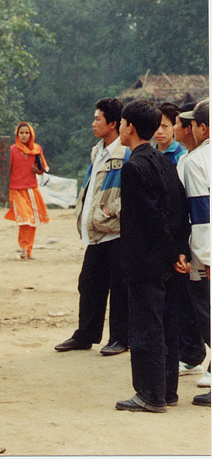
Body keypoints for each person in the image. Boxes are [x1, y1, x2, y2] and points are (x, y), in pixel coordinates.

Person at [115, 100, 191, 413]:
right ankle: (167, 391)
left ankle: (150, 394)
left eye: (121, 123)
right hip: (169, 260)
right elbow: (178, 209)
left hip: (146, 261)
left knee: (146, 326)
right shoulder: (164, 161)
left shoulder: (134, 166)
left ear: (130, 127)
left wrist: (172, 251)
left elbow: (149, 218)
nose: (120, 128)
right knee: (166, 325)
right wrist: (179, 252)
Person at [55, 98, 130, 355]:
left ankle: (120, 337)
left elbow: (130, 193)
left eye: (98, 118)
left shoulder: (126, 152)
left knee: (119, 288)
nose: (93, 123)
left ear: (112, 123)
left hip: (117, 232)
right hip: (97, 232)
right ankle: (86, 334)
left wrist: (113, 211)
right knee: (89, 283)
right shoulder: (98, 151)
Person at [178, 99, 211, 407]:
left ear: (203, 128)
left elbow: (201, 212)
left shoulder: (195, 161)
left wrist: (203, 256)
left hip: (206, 251)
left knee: (206, 314)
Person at [4, 122, 50, 259]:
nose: (24, 136)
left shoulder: (37, 149)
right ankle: (23, 248)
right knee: (24, 219)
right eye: (21, 133)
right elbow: (7, 170)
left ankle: (28, 251)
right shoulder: (12, 149)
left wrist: (38, 171)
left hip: (32, 189)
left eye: (27, 133)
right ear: (17, 135)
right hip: (16, 189)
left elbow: (43, 169)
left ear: (31, 134)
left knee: (33, 220)